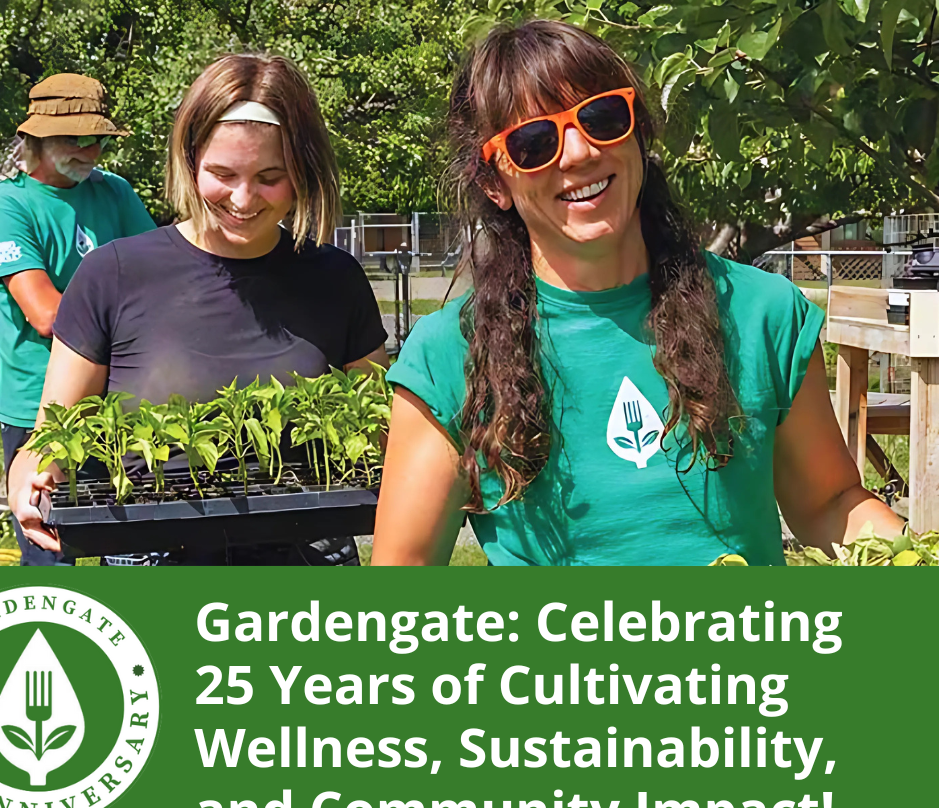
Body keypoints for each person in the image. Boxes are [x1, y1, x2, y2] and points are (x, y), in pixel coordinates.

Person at [371, 20, 905, 566]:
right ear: (494, 182)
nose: (578, 153)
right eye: (534, 142)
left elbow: (829, 502)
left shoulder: (762, 314)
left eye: (602, 117)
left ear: (637, 131)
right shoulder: (448, 356)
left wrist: (916, 558)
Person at [7, 53, 389, 565]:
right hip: (151, 558)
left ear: (303, 171)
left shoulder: (335, 278)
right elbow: (51, 433)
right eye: (222, 173)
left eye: (270, 176)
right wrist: (26, 478)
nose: (243, 197)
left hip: (307, 560)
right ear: (189, 161)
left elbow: (378, 428)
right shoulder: (114, 274)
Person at [0, 73, 156, 564]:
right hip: (42, 412)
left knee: (138, 556)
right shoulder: (6, 205)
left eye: (97, 138)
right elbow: (47, 315)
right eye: (75, 138)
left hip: (121, 407)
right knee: (50, 562)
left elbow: (160, 282)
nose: (90, 149)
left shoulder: (114, 192)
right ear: (35, 136)